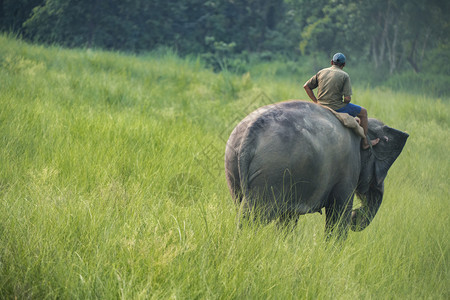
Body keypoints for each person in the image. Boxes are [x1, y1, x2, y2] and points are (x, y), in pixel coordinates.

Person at [303, 53, 379, 149]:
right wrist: (345, 101)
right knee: (363, 112)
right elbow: (347, 99)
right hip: (336, 107)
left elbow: (306, 86)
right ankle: (365, 143)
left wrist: (316, 102)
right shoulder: (344, 75)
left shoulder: (321, 72)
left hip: (321, 106)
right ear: (344, 65)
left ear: (331, 62)